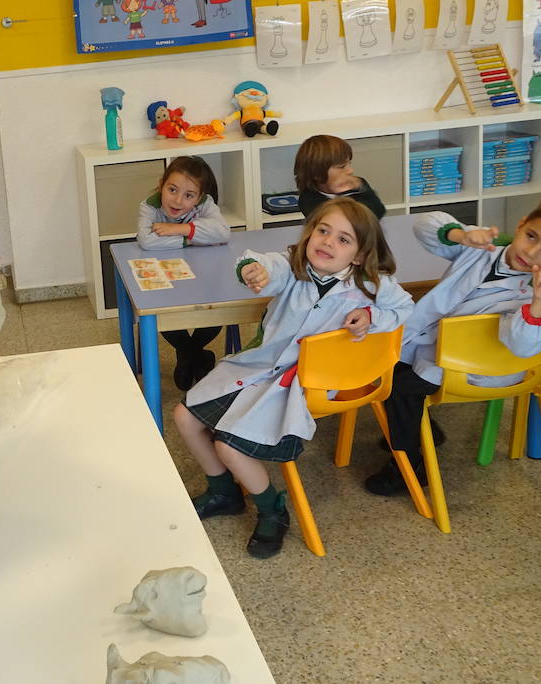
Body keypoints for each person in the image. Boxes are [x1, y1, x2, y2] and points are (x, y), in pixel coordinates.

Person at [174, 198, 412, 558]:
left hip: (303, 386)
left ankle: (273, 508)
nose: (328, 242)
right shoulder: (292, 265)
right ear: (309, 233)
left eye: (344, 240)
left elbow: (404, 308)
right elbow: (264, 264)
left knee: (228, 444)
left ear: (360, 256)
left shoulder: (371, 285)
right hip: (260, 366)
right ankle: (223, 492)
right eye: (323, 230)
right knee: (184, 418)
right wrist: (254, 269)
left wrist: (369, 315)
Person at [364, 196, 541, 495]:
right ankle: (420, 429)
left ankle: (407, 467)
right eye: (531, 236)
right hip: (439, 353)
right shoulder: (481, 251)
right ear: (521, 225)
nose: (531, 252)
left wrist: (538, 300)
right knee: (387, 362)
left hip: (484, 370)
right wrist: (461, 234)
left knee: (397, 385)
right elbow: (424, 225)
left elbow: (524, 347)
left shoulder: (540, 299)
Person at [137, 156, 229, 389]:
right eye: (172, 190)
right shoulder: (149, 206)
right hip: (164, 278)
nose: (178, 200)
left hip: (203, 275)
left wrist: (180, 228)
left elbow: (222, 232)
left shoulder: (206, 204)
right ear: (162, 185)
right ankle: (193, 354)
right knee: (165, 316)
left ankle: (189, 354)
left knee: (215, 313)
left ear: (199, 198)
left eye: (189, 195)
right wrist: (193, 239)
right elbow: (147, 241)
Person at [294, 134, 386, 219]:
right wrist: (341, 196)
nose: (350, 171)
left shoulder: (357, 183)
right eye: (341, 167)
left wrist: (360, 189)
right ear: (317, 174)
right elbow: (342, 223)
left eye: (349, 163)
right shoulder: (307, 199)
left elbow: (379, 211)